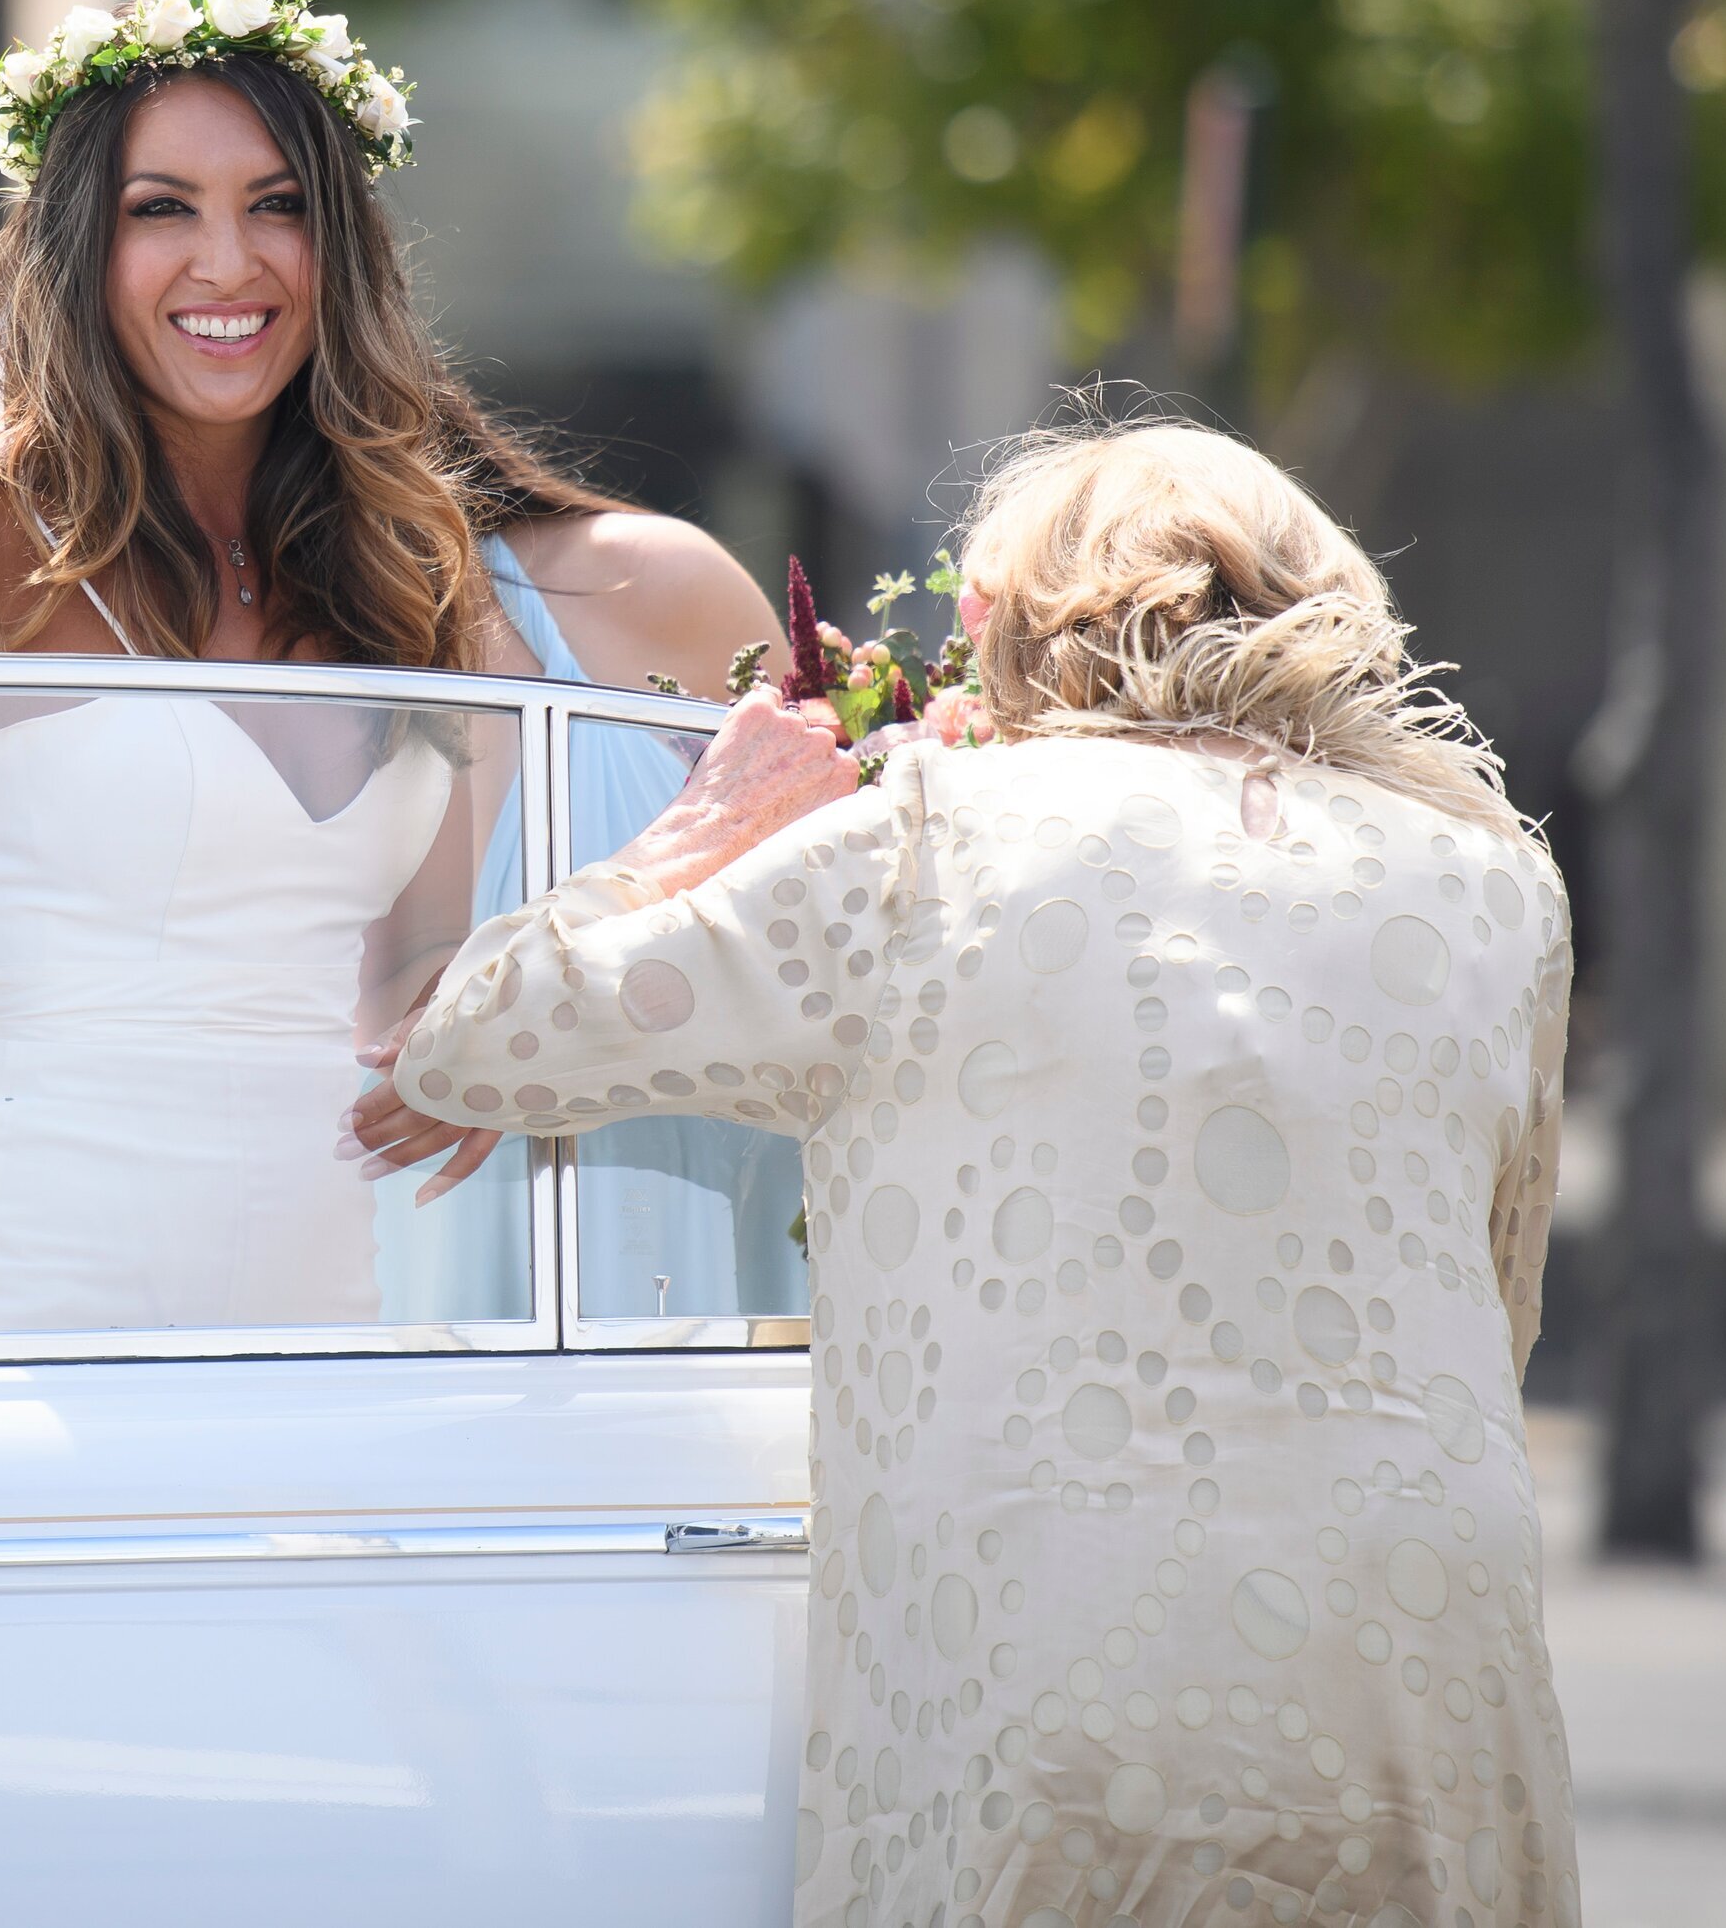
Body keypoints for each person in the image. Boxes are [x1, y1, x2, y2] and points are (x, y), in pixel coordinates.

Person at [374, 414, 1581, 1928]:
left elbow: (473, 1037)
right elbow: (1499, 1298)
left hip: (1056, 1677)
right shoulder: (1495, 875)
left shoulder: (925, 844)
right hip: (1428, 1672)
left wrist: (703, 823)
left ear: (1006, 623)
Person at [0, 0, 780, 1337]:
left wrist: (515, 1008)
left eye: (278, 206)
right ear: (84, 243)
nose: (229, 261)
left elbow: (410, 968)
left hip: (316, 1299)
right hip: (8, 1281)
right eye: (166, 210)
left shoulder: (398, 565)